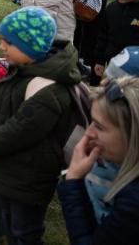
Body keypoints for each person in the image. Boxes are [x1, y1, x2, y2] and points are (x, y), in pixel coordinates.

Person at [0, 6, 80, 245]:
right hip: (10, 165)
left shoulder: (47, 87)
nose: (1, 47)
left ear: (30, 46)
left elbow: (23, 129)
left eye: (7, 43)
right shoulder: (21, 70)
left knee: (25, 230)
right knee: (10, 221)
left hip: (31, 172)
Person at [58, 76, 139, 243]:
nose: (88, 133)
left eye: (99, 126)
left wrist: (73, 180)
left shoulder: (134, 201)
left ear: (133, 135)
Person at [94, 0, 139, 79]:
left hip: (134, 68)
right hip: (113, 65)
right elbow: (103, 36)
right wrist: (99, 60)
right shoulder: (112, 9)